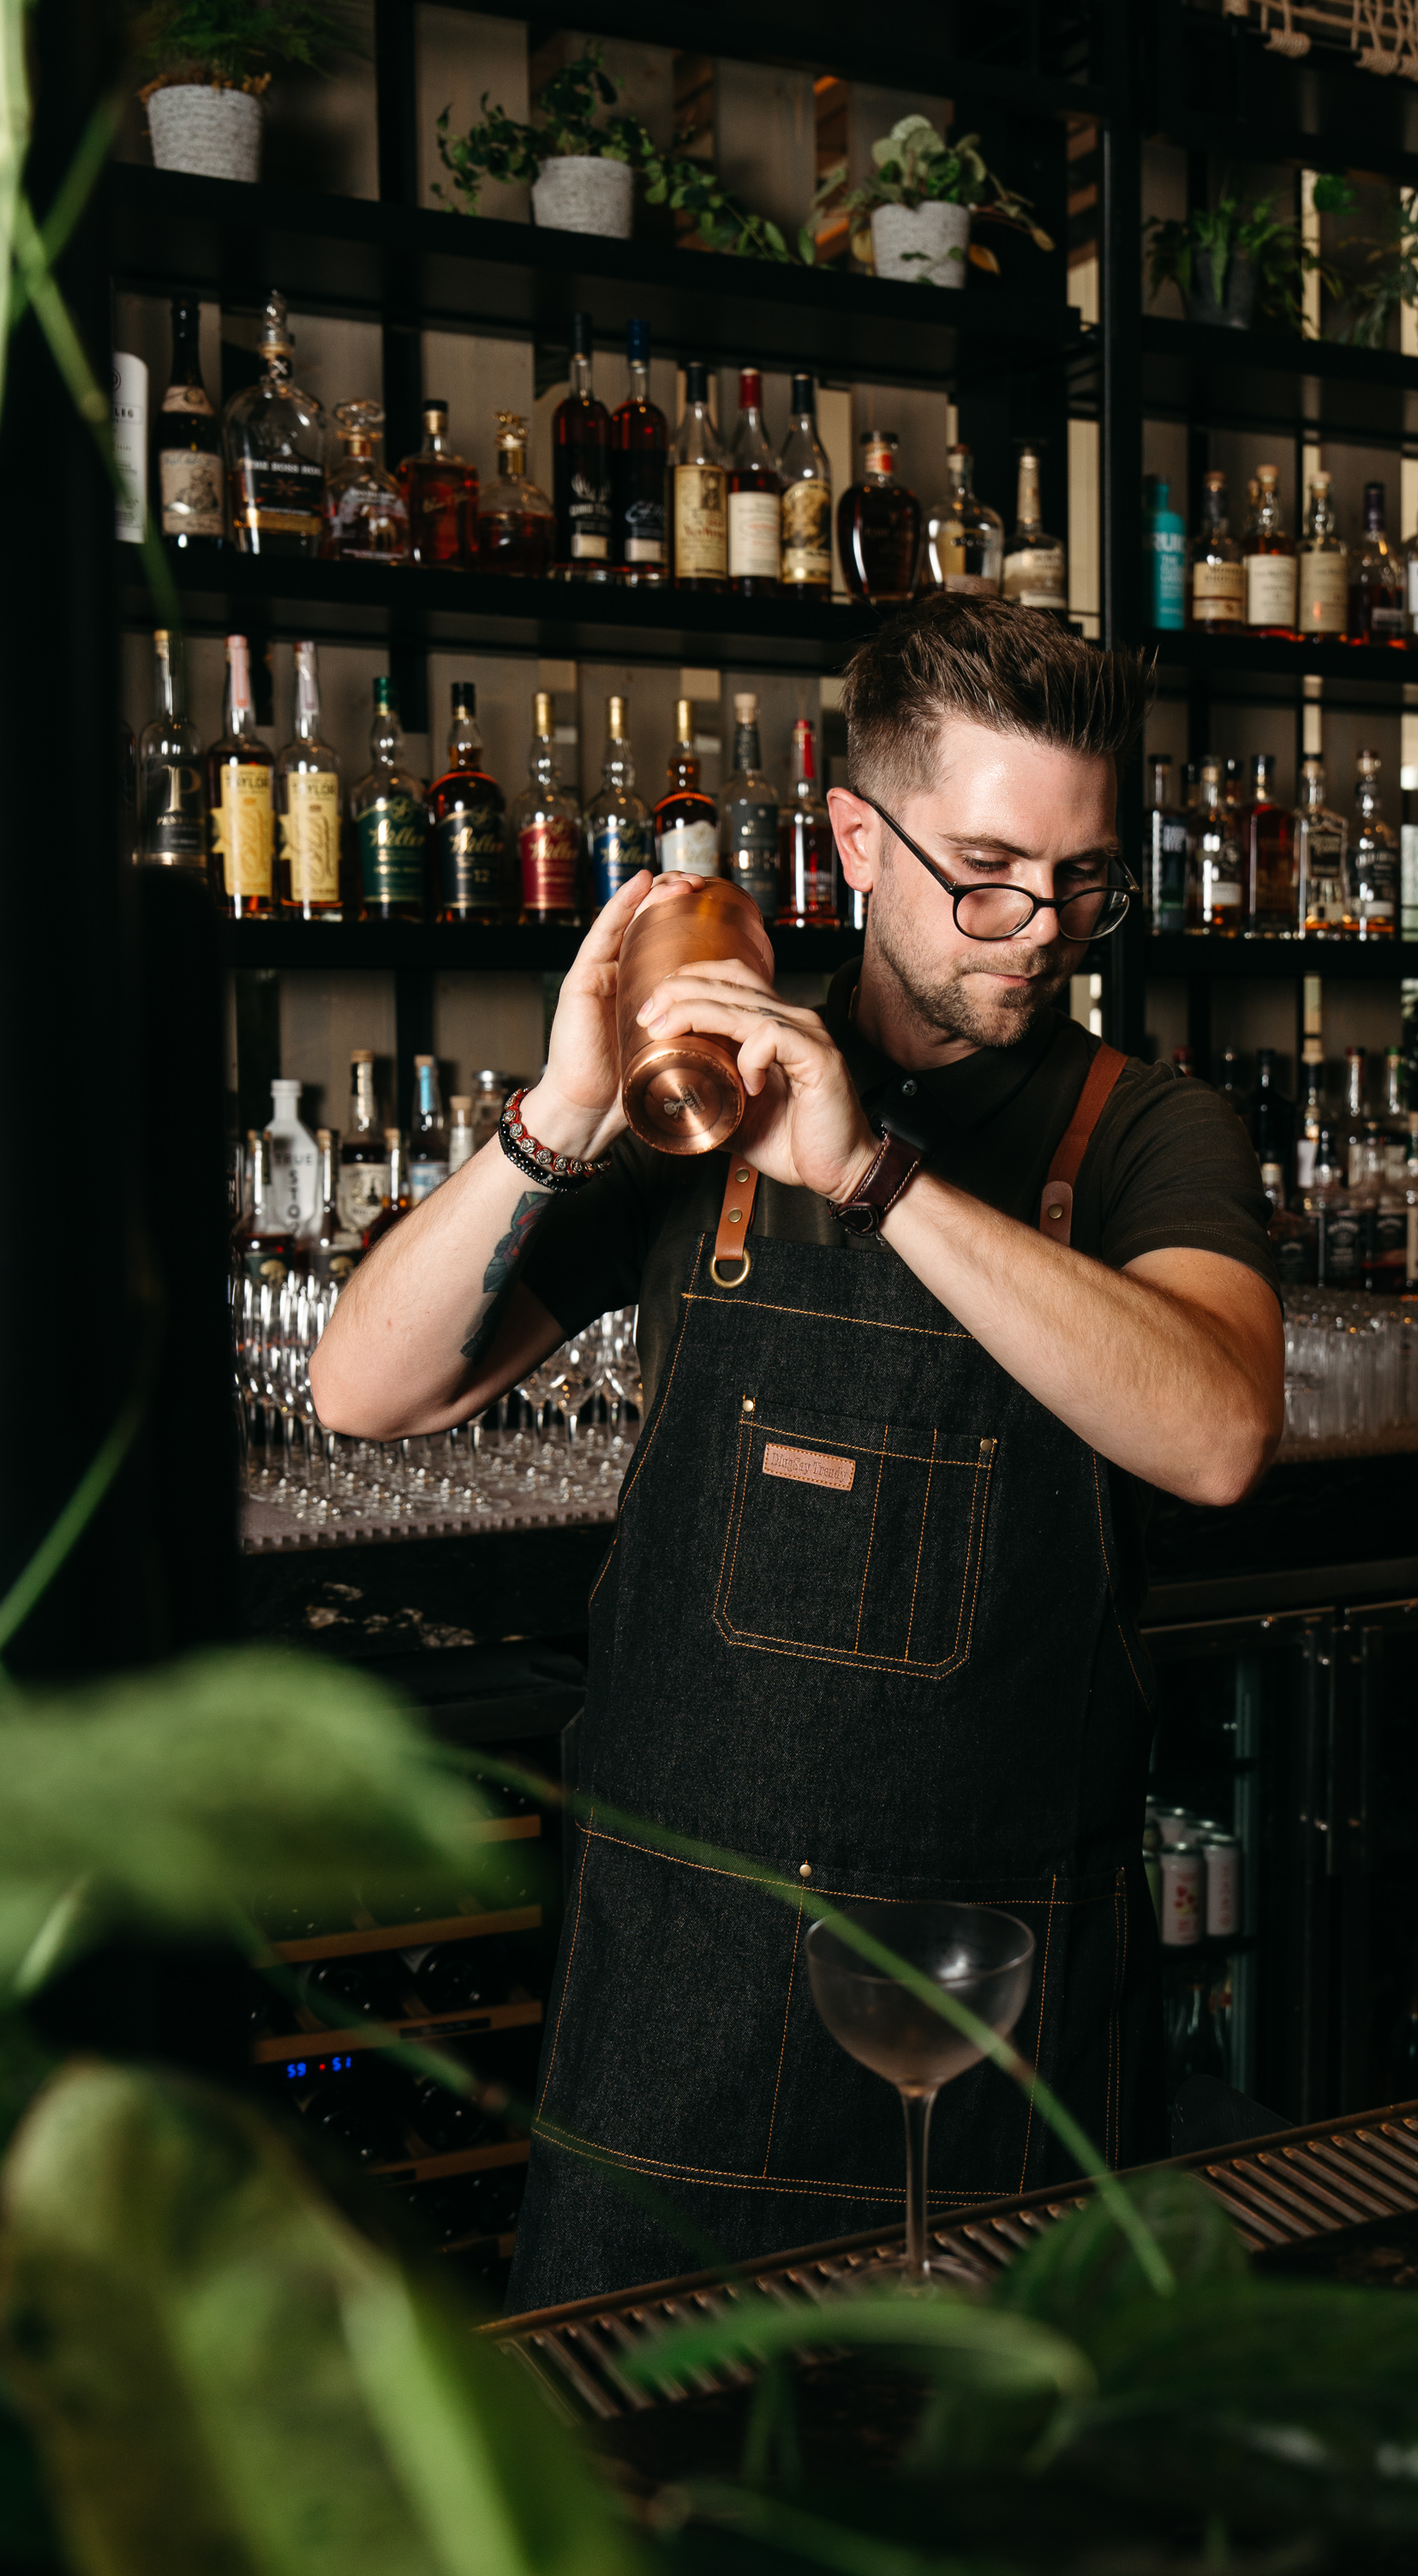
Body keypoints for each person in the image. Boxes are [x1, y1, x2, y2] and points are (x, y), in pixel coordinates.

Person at [312, 595, 1283, 2307]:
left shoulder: (1141, 1127)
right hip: (680, 1983)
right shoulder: (713, 1078)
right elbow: (367, 1395)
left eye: (1079, 880)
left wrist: (875, 1177)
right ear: (855, 835)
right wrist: (554, 1115)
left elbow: (1210, 1433)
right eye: (987, 872)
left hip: (997, 2003)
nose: (1037, 930)